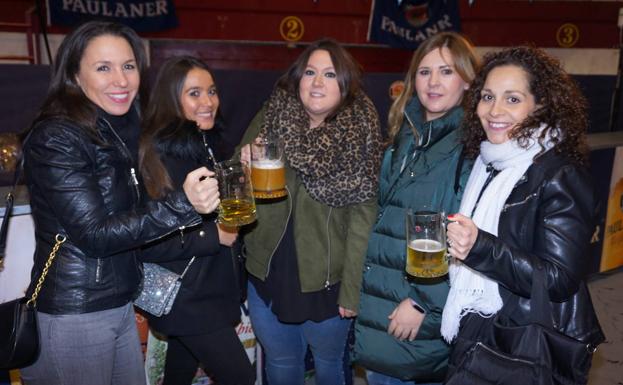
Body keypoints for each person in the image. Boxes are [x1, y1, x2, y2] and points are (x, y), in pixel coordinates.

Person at [19, 22, 219, 385]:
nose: (121, 80)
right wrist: (182, 205)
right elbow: (95, 234)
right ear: (74, 75)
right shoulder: (57, 137)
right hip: (76, 312)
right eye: (103, 68)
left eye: (128, 66)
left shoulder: (117, 129)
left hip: (118, 302)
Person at [441, 46, 605, 382]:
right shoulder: (490, 162)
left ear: (541, 106)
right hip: (478, 328)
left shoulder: (560, 174)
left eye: (512, 99)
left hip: (522, 342)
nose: (494, 110)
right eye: (487, 97)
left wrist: (480, 248)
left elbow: (558, 278)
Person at [238, 38, 383, 385]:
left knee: (329, 365)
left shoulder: (361, 131)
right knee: (282, 363)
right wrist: (242, 165)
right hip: (268, 273)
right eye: (310, 72)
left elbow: (364, 219)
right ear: (297, 78)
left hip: (328, 282)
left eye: (330, 74)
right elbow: (234, 182)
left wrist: (352, 290)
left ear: (345, 84)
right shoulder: (273, 114)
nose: (317, 82)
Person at [353, 32, 480, 385]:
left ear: (468, 81)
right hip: (381, 297)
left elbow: (470, 237)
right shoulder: (404, 135)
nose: (433, 82)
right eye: (424, 72)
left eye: (446, 71)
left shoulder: (470, 147)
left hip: (414, 307)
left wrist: (424, 302)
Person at [138, 56, 255, 385]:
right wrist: (213, 236)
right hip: (187, 296)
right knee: (241, 378)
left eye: (212, 91)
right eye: (194, 93)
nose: (208, 102)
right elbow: (146, 240)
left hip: (214, 288)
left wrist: (243, 170)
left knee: (179, 371)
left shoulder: (213, 145)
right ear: (171, 98)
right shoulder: (156, 154)